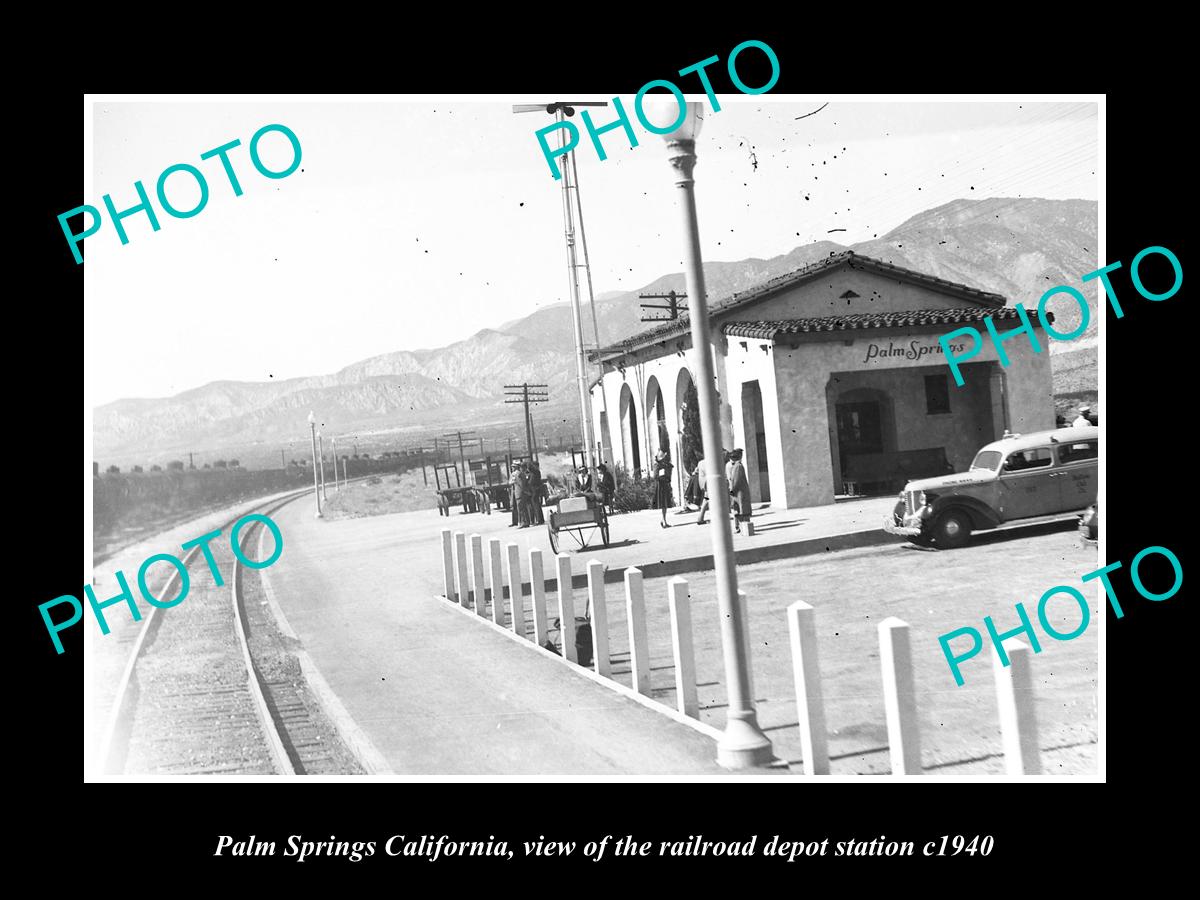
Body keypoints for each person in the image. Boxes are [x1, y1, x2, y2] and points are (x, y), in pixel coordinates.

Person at [728, 448, 751, 534]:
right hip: (738, 492)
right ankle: (741, 527)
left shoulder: (738, 466)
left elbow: (736, 480)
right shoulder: (737, 466)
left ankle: (744, 527)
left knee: (742, 510)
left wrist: (732, 490)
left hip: (739, 492)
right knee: (739, 510)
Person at [653, 447, 674, 528]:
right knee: (663, 504)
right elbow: (655, 476)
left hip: (665, 484)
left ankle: (663, 520)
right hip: (660, 485)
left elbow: (670, 472)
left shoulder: (666, 464)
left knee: (665, 504)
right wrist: (662, 475)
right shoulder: (657, 465)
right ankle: (664, 520)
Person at [695, 454, 709, 525]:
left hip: (703, 484)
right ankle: (700, 518)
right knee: (706, 500)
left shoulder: (700, 463)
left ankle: (700, 518)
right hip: (709, 484)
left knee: (706, 500)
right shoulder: (709, 462)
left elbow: (696, 471)